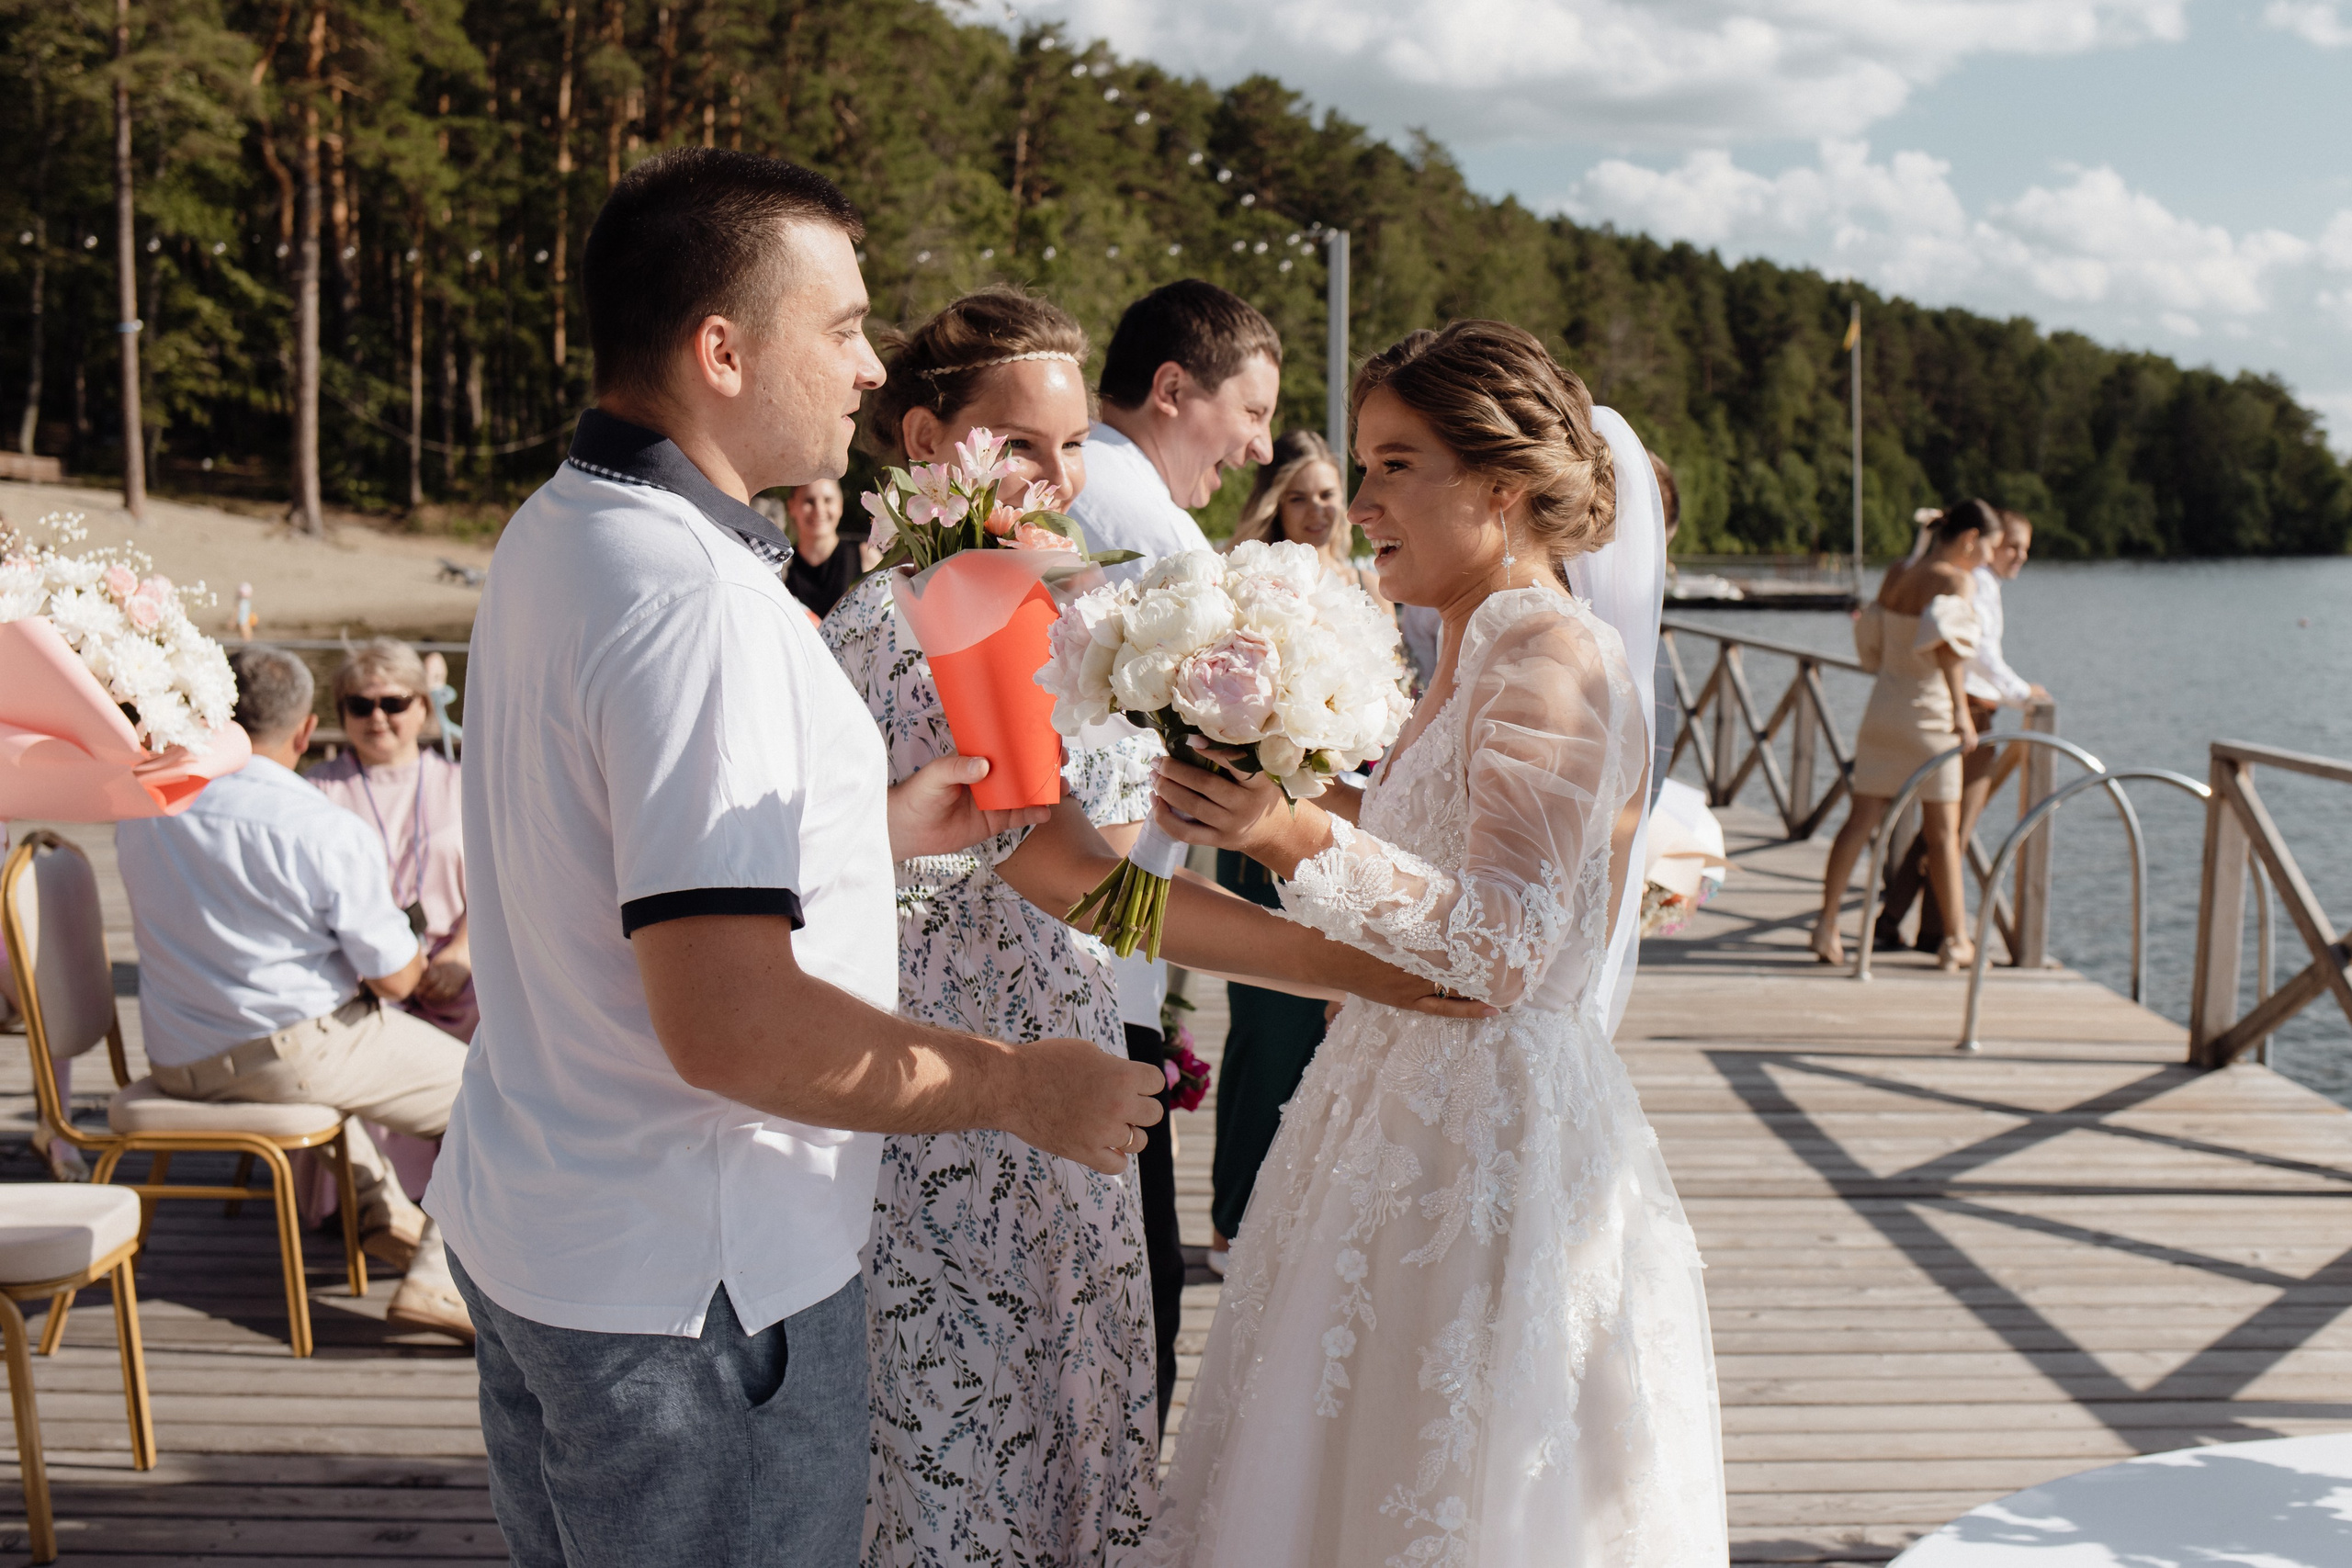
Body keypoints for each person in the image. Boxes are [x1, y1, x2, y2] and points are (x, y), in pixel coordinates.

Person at [424, 151, 1169, 1568]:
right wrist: (1019, 1085)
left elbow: (595, 843)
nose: (869, 366)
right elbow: (732, 1023)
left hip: (546, 1223)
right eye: (840, 327)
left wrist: (863, 832)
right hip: (698, 1294)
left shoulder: (558, 528)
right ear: (721, 349)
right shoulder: (695, 598)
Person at [826, 290, 1481, 1560]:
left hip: (972, 1073)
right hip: (994, 1098)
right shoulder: (970, 604)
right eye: (1022, 446)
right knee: (1007, 1451)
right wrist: (1338, 955)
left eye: (1074, 447)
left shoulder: (911, 597)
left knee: (977, 1446)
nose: (1059, 478)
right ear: (924, 441)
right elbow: (1082, 880)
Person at [1142, 321, 1725, 1566]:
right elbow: (1457, 855)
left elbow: (1505, 943)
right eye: (1364, 465)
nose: (1360, 502)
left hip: (1484, 1132)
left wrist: (1290, 831)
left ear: (1499, 485)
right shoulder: (1483, 640)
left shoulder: (1552, 653)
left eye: (1396, 464)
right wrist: (1279, 793)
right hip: (1398, 1098)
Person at [115, 645, 473, 1341]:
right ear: (307, 731)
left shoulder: (147, 807)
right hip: (287, 1057)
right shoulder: (319, 824)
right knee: (498, 1093)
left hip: (174, 1057)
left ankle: (377, 1210)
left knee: (344, 1044)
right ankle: (437, 1278)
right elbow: (396, 978)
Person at [1060, 277, 1278, 1421]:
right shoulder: (1155, 539)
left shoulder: (1054, 491)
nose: (1258, 446)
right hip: (1102, 959)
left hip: (1051, 938)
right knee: (1132, 1313)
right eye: (1249, 412)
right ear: (1172, 387)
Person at [1813, 500, 1996, 971]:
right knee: (1942, 835)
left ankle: (1826, 925)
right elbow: (1949, 651)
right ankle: (1956, 941)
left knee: (1859, 822)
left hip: (1882, 711)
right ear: (1971, 539)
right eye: (1989, 549)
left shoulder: (1899, 571)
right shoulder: (1958, 581)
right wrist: (1962, 712)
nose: (1989, 561)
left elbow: (1870, 643)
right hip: (1930, 717)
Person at [1874, 508, 2048, 953]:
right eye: (2011, 546)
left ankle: (1915, 926)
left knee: (1943, 828)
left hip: (1955, 708)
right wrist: (2021, 693)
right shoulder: (1974, 584)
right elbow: (1978, 655)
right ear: (1984, 543)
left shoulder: (1964, 577)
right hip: (1969, 713)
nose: (2019, 557)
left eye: (2025, 549)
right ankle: (1931, 931)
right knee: (1952, 829)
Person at [310, 638, 475, 1041]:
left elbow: (503, 883)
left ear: (422, 706)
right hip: (358, 983)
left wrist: (462, 952)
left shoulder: (463, 785)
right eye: (361, 705)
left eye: (394, 703)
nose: (378, 717)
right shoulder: (315, 791)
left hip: (459, 975)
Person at [1227, 429, 1382, 600]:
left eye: (1326, 495)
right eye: (1298, 499)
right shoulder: (1246, 587)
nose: (1316, 511)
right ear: (1276, 506)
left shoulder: (1372, 589)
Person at [781, 476, 876, 619]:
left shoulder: (866, 556)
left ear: (840, 506)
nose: (819, 509)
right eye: (809, 501)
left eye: (828, 500)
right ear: (791, 506)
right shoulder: (781, 569)